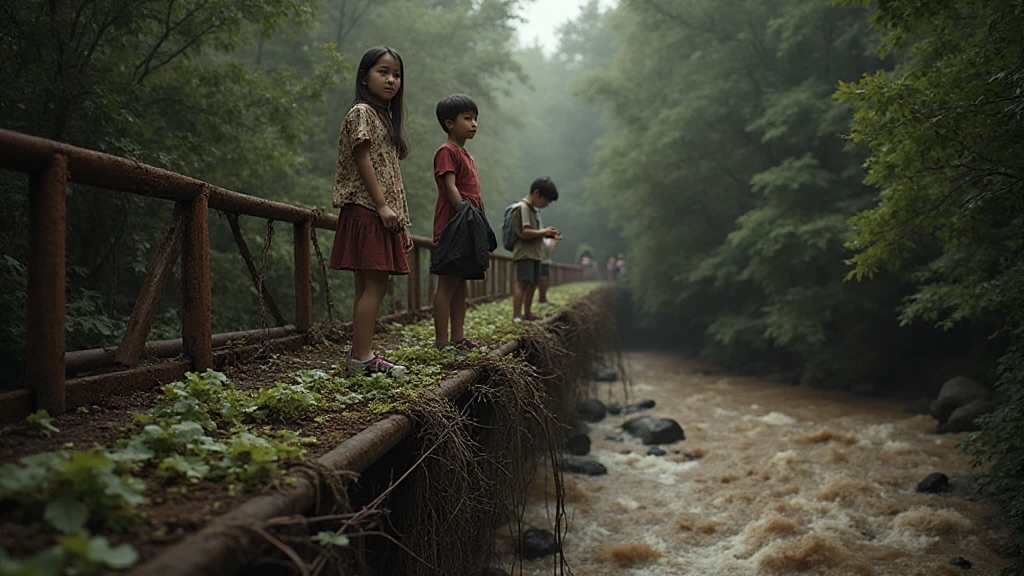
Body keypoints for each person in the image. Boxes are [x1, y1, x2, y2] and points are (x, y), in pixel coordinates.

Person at [329, 46, 413, 377]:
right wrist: (382, 207)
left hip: (380, 212)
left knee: (369, 284)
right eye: (383, 72)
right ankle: (362, 359)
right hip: (368, 208)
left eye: (396, 74)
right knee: (376, 284)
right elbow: (363, 161)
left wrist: (401, 222)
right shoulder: (362, 112)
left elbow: (392, 175)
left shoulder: (383, 119)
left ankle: (359, 355)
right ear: (365, 76)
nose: (391, 79)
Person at [430, 94, 491, 351]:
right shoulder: (447, 151)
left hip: (468, 224)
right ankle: (442, 341)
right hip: (453, 226)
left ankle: (458, 336)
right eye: (467, 118)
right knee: (447, 283)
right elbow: (450, 185)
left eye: (475, 118)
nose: (474, 123)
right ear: (449, 123)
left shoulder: (467, 154)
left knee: (460, 283)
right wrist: (464, 212)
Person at [510, 177, 560, 321]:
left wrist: (546, 233)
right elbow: (525, 232)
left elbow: (535, 232)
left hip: (535, 253)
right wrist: (544, 232)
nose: (546, 204)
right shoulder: (523, 207)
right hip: (525, 253)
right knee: (522, 283)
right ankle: (517, 315)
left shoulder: (534, 210)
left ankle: (527, 312)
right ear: (537, 193)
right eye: (546, 200)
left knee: (533, 283)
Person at [537, 235, 559, 304]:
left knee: (545, 280)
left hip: (544, 261)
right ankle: (542, 299)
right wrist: (554, 241)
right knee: (543, 280)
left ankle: (543, 298)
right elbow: (550, 247)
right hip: (541, 261)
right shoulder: (543, 239)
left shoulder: (544, 239)